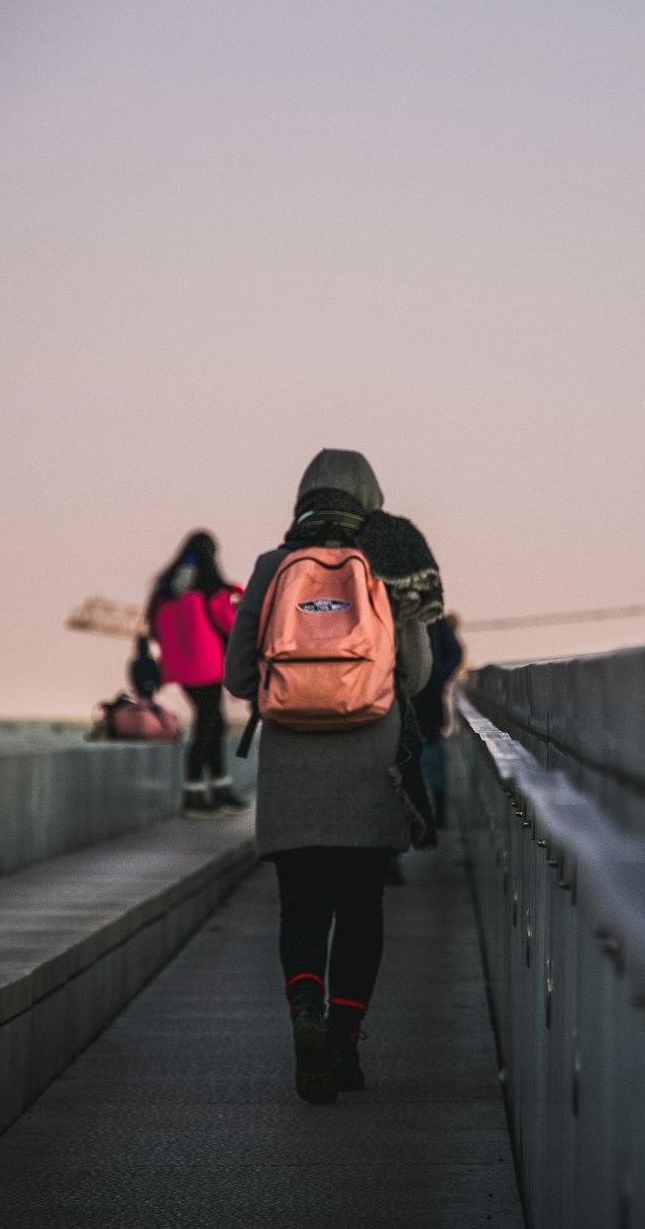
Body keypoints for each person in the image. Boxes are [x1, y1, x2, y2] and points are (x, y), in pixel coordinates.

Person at [224, 450, 438, 1104]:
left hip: (293, 776)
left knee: (303, 907)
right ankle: (344, 1040)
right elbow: (419, 675)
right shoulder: (388, 559)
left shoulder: (271, 567)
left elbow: (237, 678)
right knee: (361, 908)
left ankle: (306, 1006)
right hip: (369, 771)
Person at [147, 530, 248, 817]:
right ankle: (196, 792)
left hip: (180, 668)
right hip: (208, 667)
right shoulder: (213, 589)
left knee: (212, 724)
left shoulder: (165, 592)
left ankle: (218, 788)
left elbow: (155, 630)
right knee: (209, 726)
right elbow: (231, 625)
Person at [412, 612, 464, 829]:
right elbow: (455, 653)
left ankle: (423, 818)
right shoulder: (435, 622)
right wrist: (437, 679)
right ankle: (435, 818)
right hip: (429, 705)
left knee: (414, 763)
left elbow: (455, 654)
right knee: (433, 764)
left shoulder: (395, 616)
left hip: (407, 706)